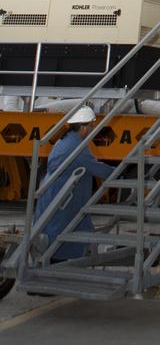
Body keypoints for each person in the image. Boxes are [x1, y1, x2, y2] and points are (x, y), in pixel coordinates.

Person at [34, 104, 114, 261]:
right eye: (91, 126)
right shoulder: (76, 146)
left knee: (55, 227)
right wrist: (119, 173)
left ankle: (54, 258)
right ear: (83, 128)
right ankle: (60, 262)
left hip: (55, 192)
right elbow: (95, 167)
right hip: (65, 197)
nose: (92, 129)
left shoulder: (63, 141)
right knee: (64, 230)